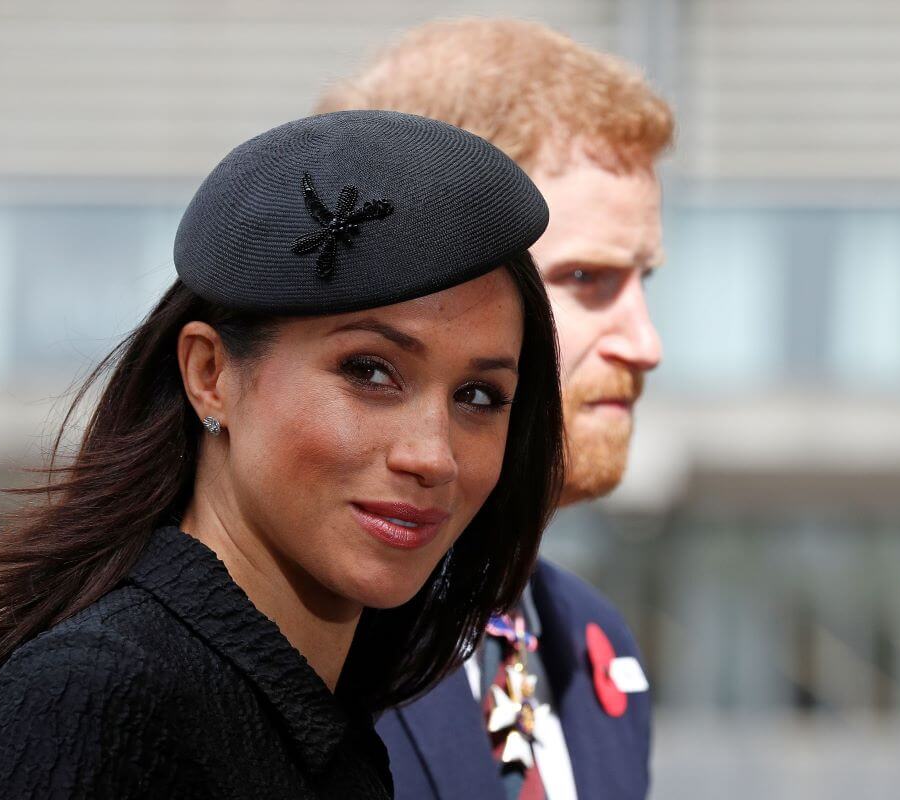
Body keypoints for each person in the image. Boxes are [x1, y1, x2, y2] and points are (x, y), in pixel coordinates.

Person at [0, 110, 566, 799]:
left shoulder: (314, 720)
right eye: (370, 370)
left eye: (481, 397)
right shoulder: (96, 698)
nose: (434, 456)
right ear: (210, 375)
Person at [316, 18, 675, 799]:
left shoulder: (593, 643)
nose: (644, 342)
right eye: (587, 279)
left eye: (645, 280)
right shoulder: (292, 631)